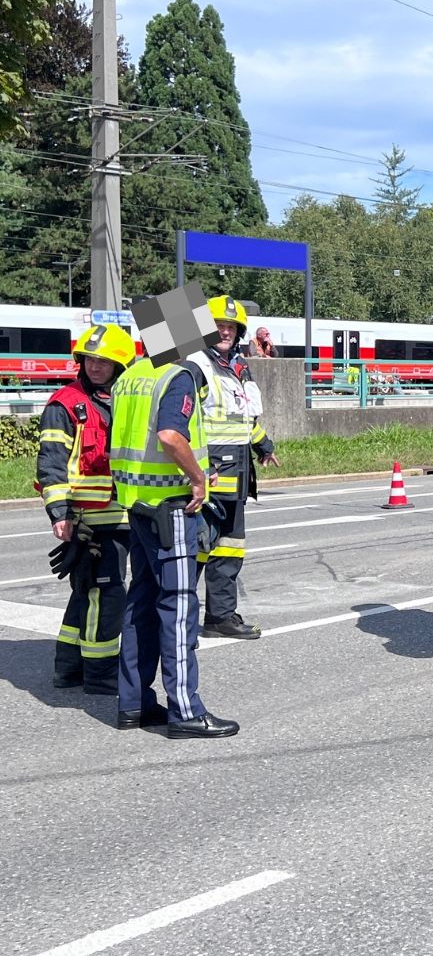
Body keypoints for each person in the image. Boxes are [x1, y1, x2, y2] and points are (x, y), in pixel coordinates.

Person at [110, 346, 239, 738]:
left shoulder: (130, 376)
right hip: (172, 509)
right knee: (179, 608)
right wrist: (197, 477)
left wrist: (197, 466)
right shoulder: (177, 376)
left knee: (141, 604)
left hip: (137, 504)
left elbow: (137, 439)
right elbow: (169, 435)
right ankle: (185, 711)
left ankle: (133, 703)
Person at [36, 323, 136, 694]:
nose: (95, 366)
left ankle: (68, 668)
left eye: (104, 361)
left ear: (119, 366)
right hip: (88, 518)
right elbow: (51, 463)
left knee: (86, 592)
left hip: (122, 514)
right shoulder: (65, 403)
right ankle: (100, 673)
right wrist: (60, 513)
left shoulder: (126, 402)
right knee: (106, 595)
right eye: (90, 359)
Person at [187, 295, 280, 640]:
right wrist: (199, 468)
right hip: (208, 479)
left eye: (231, 327)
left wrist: (263, 445)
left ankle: (220, 617)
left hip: (236, 477)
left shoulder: (238, 366)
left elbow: (242, 418)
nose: (225, 332)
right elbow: (184, 422)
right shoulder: (195, 364)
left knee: (229, 550)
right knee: (195, 553)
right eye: (218, 326)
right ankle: (178, 622)